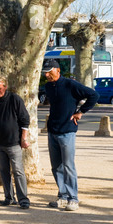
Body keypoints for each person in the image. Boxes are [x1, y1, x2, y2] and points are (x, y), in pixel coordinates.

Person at [42, 59, 99, 211]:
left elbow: (93, 95)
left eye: (50, 71)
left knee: (68, 166)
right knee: (56, 167)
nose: (47, 74)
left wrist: (81, 112)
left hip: (67, 131)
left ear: (58, 70)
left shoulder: (70, 85)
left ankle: (73, 198)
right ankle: (63, 196)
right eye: (45, 72)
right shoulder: (48, 87)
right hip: (52, 131)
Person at [0, 74, 31, 209]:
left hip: (14, 143)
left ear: (5, 87)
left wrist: (24, 138)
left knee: (18, 171)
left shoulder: (15, 99)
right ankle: (9, 197)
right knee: (3, 171)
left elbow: (25, 120)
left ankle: (23, 199)